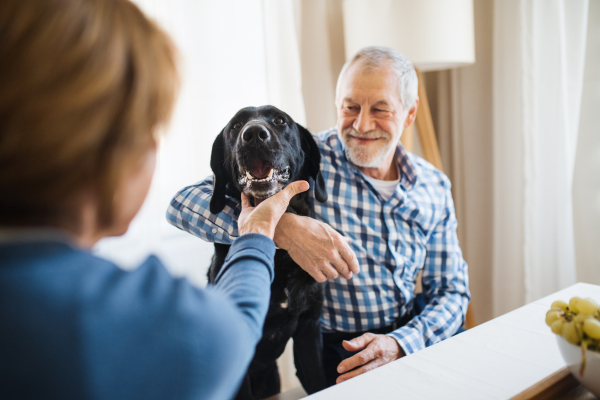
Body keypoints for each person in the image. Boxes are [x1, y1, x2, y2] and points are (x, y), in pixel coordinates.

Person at [0, 0, 310, 399]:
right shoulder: (145, 321)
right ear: (118, 151)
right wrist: (258, 234)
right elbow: (231, 331)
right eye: (150, 128)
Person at [167, 47, 470, 386]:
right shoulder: (305, 155)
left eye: (380, 109)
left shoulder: (434, 185)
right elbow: (182, 204)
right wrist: (281, 228)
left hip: (411, 340)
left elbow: (451, 290)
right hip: (336, 351)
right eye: (350, 107)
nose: (362, 124)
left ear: (410, 113)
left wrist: (403, 343)